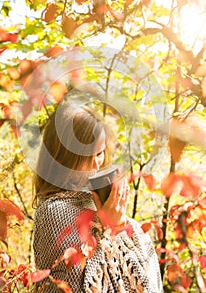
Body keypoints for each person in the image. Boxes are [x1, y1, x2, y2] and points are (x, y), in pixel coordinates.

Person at [32, 99, 163, 292]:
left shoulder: (97, 200)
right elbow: (73, 287)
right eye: (87, 156)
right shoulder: (53, 213)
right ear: (63, 157)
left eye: (100, 153)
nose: (96, 165)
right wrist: (105, 229)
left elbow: (148, 281)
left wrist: (118, 225)